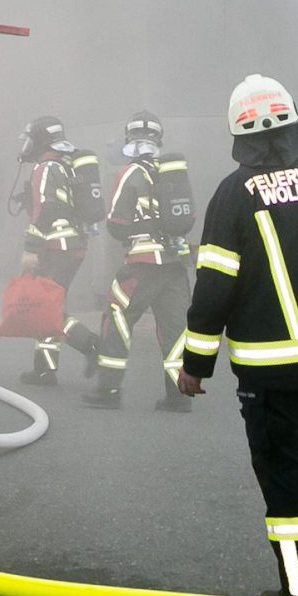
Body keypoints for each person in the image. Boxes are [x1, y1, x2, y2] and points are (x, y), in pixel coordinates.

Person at [174, 74, 298, 596]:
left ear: (238, 132)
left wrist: (196, 360)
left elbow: (214, 286)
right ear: (293, 121)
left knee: (287, 479)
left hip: (270, 371)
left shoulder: (234, 194)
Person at [83, 113, 194, 412]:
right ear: (159, 139)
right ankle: (179, 396)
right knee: (175, 331)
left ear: (128, 138)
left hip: (143, 264)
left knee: (117, 318)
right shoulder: (170, 172)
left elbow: (117, 223)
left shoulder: (129, 172)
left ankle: (108, 390)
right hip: (175, 265)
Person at [15, 116, 101, 385]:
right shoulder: (64, 164)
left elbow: (48, 208)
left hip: (57, 248)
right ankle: (45, 370)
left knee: (46, 308)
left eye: (30, 139)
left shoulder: (45, 167)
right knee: (50, 305)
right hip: (70, 247)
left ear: (40, 140)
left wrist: (30, 249)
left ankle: (91, 345)